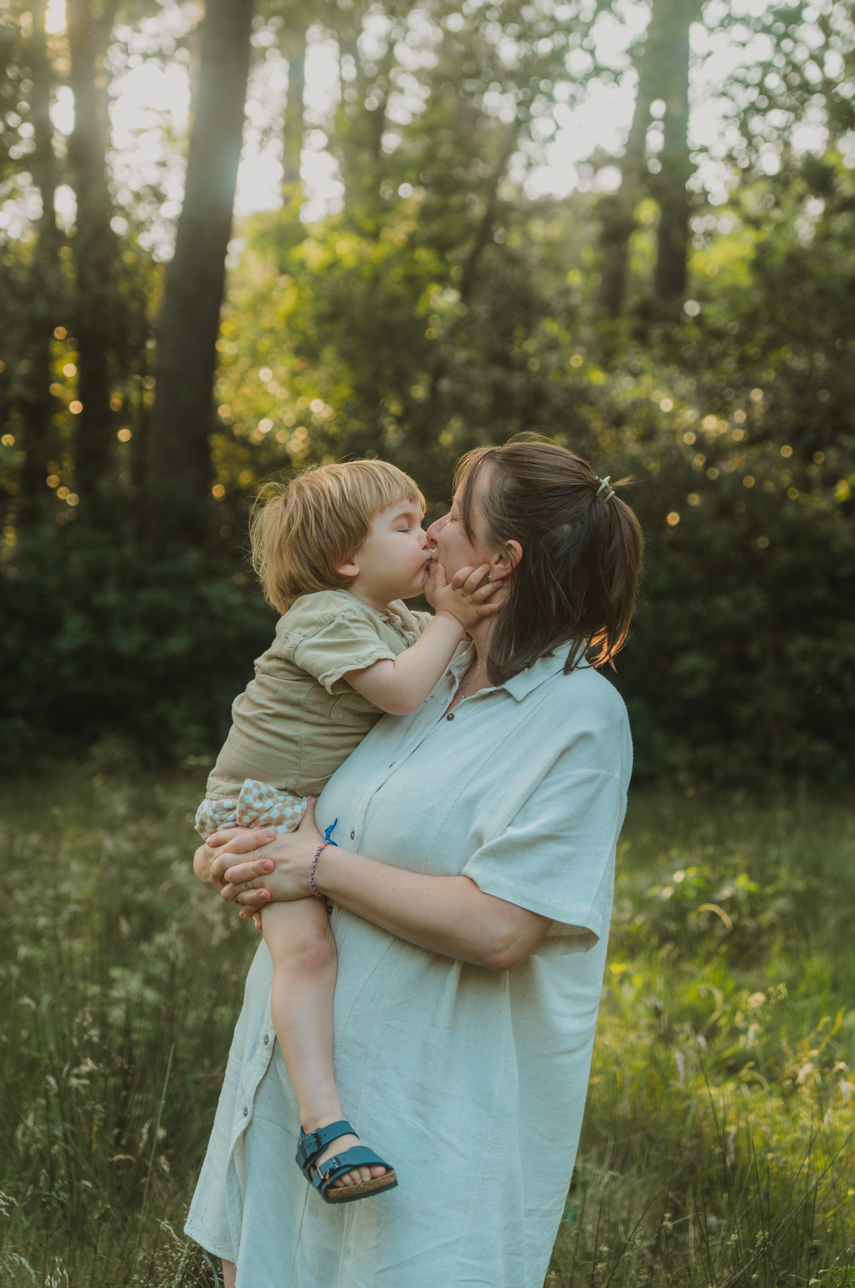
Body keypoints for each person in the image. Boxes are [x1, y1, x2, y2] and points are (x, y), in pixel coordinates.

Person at [187, 439, 643, 1288]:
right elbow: (298, 799)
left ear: (501, 562)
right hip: (296, 1092)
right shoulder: (415, 669)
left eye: (451, 517)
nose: (430, 531)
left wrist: (314, 867)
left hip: (429, 1117)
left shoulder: (576, 715)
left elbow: (500, 928)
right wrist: (246, 857)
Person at [193, 459, 502, 1203]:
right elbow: (400, 691)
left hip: (302, 803)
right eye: (404, 525)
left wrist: (459, 612)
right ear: (345, 560)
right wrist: (456, 618)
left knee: (319, 948)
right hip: (261, 803)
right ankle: (323, 1126)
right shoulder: (322, 615)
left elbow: (453, 652)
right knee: (306, 952)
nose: (427, 535)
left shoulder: (395, 617)